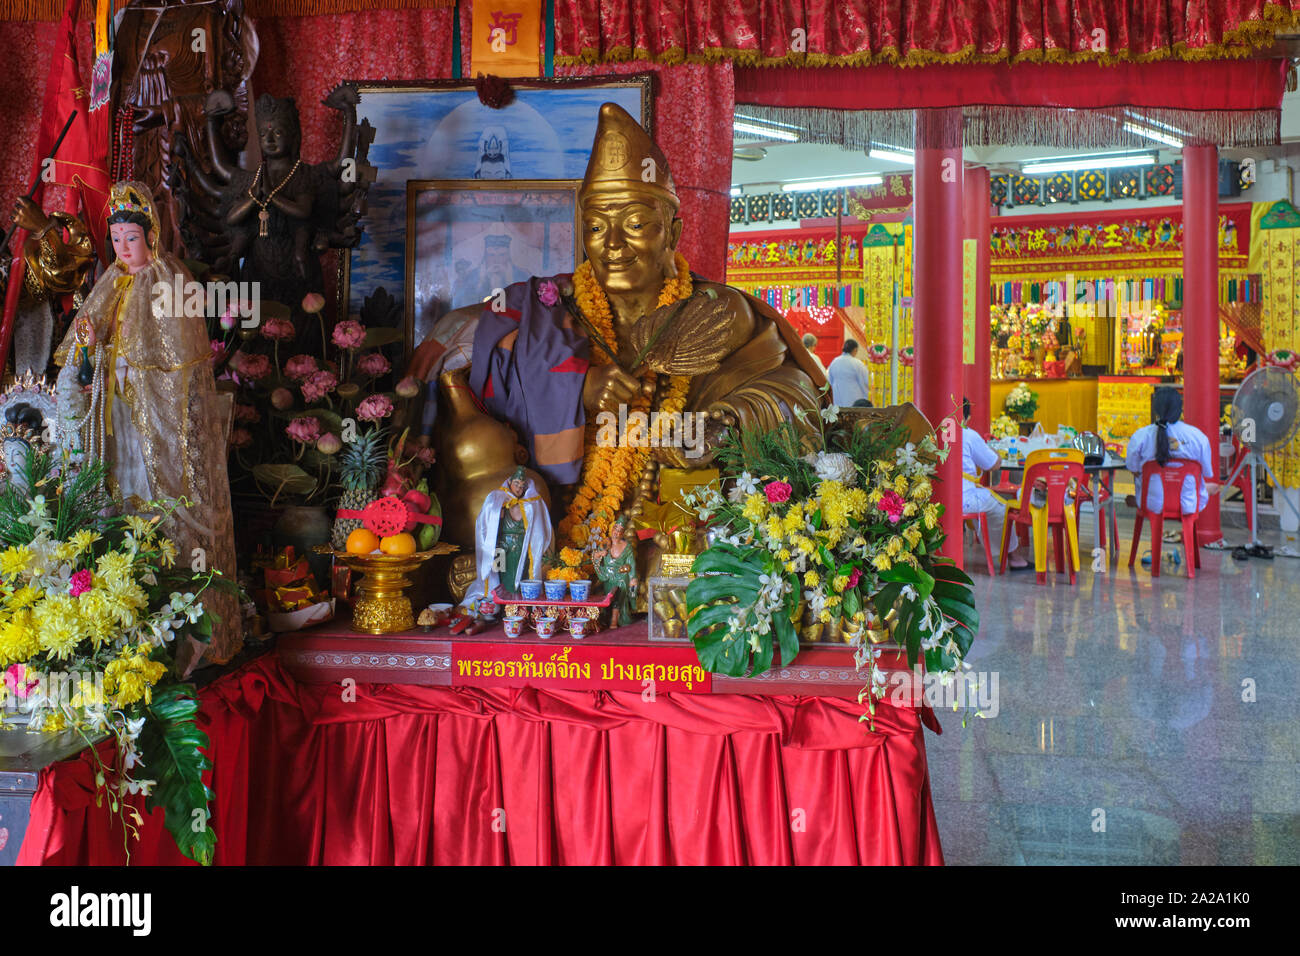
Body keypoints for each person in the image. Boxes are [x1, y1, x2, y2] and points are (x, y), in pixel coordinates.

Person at [53, 181, 240, 668]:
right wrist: (92, 356)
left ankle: (181, 634)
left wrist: (129, 368)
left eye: (130, 238)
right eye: (115, 239)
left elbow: (180, 367)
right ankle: (118, 623)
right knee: (116, 505)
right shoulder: (109, 285)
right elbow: (82, 362)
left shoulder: (168, 281)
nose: (122, 248)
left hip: (153, 422)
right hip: (114, 421)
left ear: (150, 236)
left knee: (163, 510)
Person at [463, 465, 553, 609]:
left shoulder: (531, 504)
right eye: (516, 484)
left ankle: (520, 606)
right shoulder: (498, 502)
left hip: (521, 549)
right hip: (502, 548)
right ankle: (502, 605)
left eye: (522, 486)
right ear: (510, 483)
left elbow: (538, 529)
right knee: (502, 576)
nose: (518, 488)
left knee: (521, 575)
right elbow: (487, 526)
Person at [1125, 387, 1218, 520]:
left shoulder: (1140, 436)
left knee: (1146, 481)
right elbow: (1206, 472)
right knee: (1206, 485)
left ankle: (1146, 497)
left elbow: (1134, 469)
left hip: (1150, 504)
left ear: (1155, 408)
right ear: (1180, 408)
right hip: (1188, 504)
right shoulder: (1198, 437)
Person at [962, 397, 1030, 570]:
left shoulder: (934, 433)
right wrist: (995, 452)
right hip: (965, 499)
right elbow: (993, 464)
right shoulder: (968, 434)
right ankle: (1013, 556)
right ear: (967, 417)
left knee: (984, 499)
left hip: (938, 498)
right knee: (1000, 507)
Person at [826, 339, 872, 407]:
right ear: (855, 350)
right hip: (854, 400)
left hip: (837, 400)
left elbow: (829, 381)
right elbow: (866, 381)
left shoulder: (834, 362)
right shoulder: (857, 363)